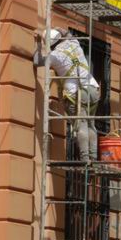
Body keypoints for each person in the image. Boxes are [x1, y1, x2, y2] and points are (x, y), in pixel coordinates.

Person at [34, 28, 101, 163]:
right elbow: (66, 32)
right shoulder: (74, 43)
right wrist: (56, 29)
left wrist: (38, 43)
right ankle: (93, 157)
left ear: (50, 44)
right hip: (93, 89)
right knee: (90, 124)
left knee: (80, 125)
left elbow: (37, 61)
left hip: (76, 94)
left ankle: (85, 159)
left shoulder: (54, 56)